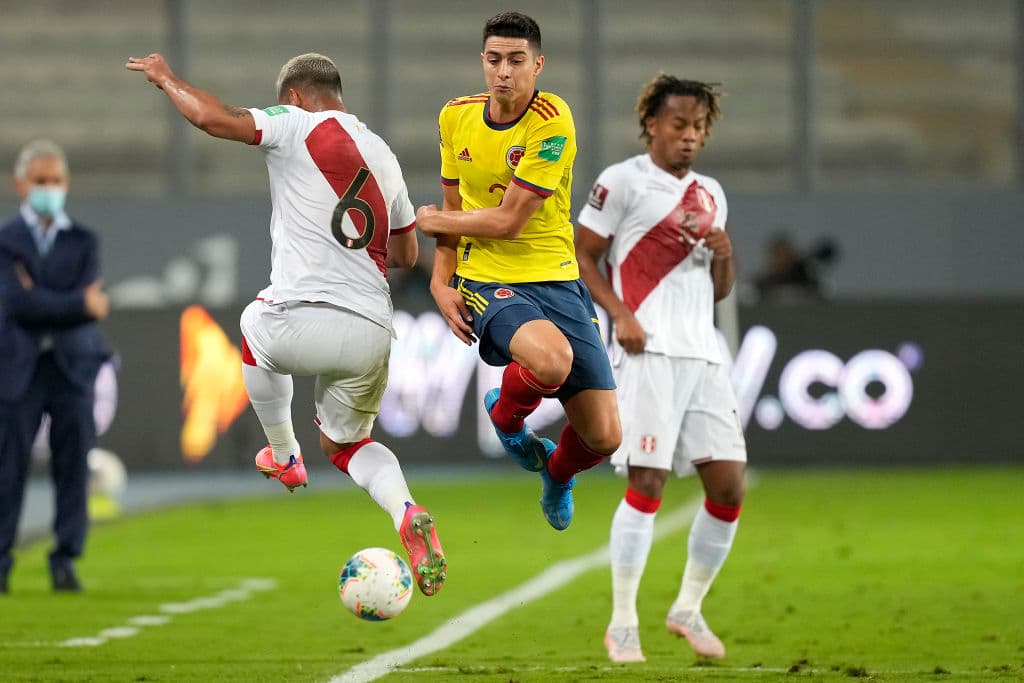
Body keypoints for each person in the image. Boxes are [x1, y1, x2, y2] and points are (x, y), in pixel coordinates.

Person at [126, 52, 446, 595]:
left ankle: (284, 455)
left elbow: (212, 118)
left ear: (294, 96)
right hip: (372, 331)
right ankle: (406, 510)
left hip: (304, 316)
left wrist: (166, 78)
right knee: (347, 445)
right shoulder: (383, 154)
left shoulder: (294, 123)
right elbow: (406, 255)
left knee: (253, 323)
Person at [416, 11, 621, 531]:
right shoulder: (455, 117)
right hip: (488, 276)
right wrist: (440, 281)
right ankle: (507, 419)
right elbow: (453, 204)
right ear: (482, 61)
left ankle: (557, 472)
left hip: (556, 276)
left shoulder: (552, 119)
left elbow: (508, 221)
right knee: (551, 362)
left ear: (538, 64)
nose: (503, 71)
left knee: (604, 437)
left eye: (516, 60)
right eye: (494, 60)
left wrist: (435, 221)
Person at [575, 75, 747, 662]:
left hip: (703, 354)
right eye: (679, 124)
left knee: (728, 486)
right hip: (647, 352)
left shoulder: (711, 193)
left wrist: (725, 256)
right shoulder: (621, 182)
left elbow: (719, 290)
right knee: (647, 483)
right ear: (652, 123)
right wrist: (620, 313)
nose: (689, 136)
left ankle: (688, 607)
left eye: (698, 127)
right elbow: (583, 253)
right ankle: (623, 621)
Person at [0, 139, 111, 593]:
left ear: (67, 184)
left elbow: (87, 306)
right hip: (18, 369)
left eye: (56, 180)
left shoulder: (84, 240)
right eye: (40, 180)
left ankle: (65, 558)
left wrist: (40, 298)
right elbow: (16, 303)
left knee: (73, 467)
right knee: (7, 469)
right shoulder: (6, 240)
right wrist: (74, 303)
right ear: (21, 184)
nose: (49, 188)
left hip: (71, 367)